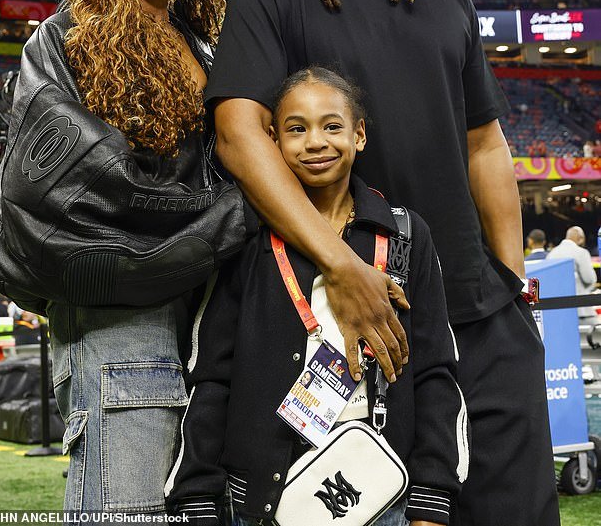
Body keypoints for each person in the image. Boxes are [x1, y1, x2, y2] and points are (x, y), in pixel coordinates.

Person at [205, 0, 559, 525]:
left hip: (480, 317)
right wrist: (342, 267)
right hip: (362, 318)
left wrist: (511, 283)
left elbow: (486, 143)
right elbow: (239, 136)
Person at [0, 0, 250, 512]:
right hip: (119, 330)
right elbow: (88, 194)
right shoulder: (69, 39)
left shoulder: (201, 44)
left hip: (202, 325)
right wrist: (243, 209)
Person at [165, 67, 467, 526]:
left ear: (359, 135)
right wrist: (196, 494)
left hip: (381, 493)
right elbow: (211, 375)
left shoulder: (404, 234)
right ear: (272, 139)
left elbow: (436, 374)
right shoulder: (245, 238)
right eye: (296, 129)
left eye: (332, 126)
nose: (315, 142)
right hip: (261, 497)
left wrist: (431, 499)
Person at [548, 225, 599, 319]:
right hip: (580, 309)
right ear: (580, 238)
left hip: (558, 309)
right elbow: (589, 279)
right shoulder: (581, 252)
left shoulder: (551, 254)